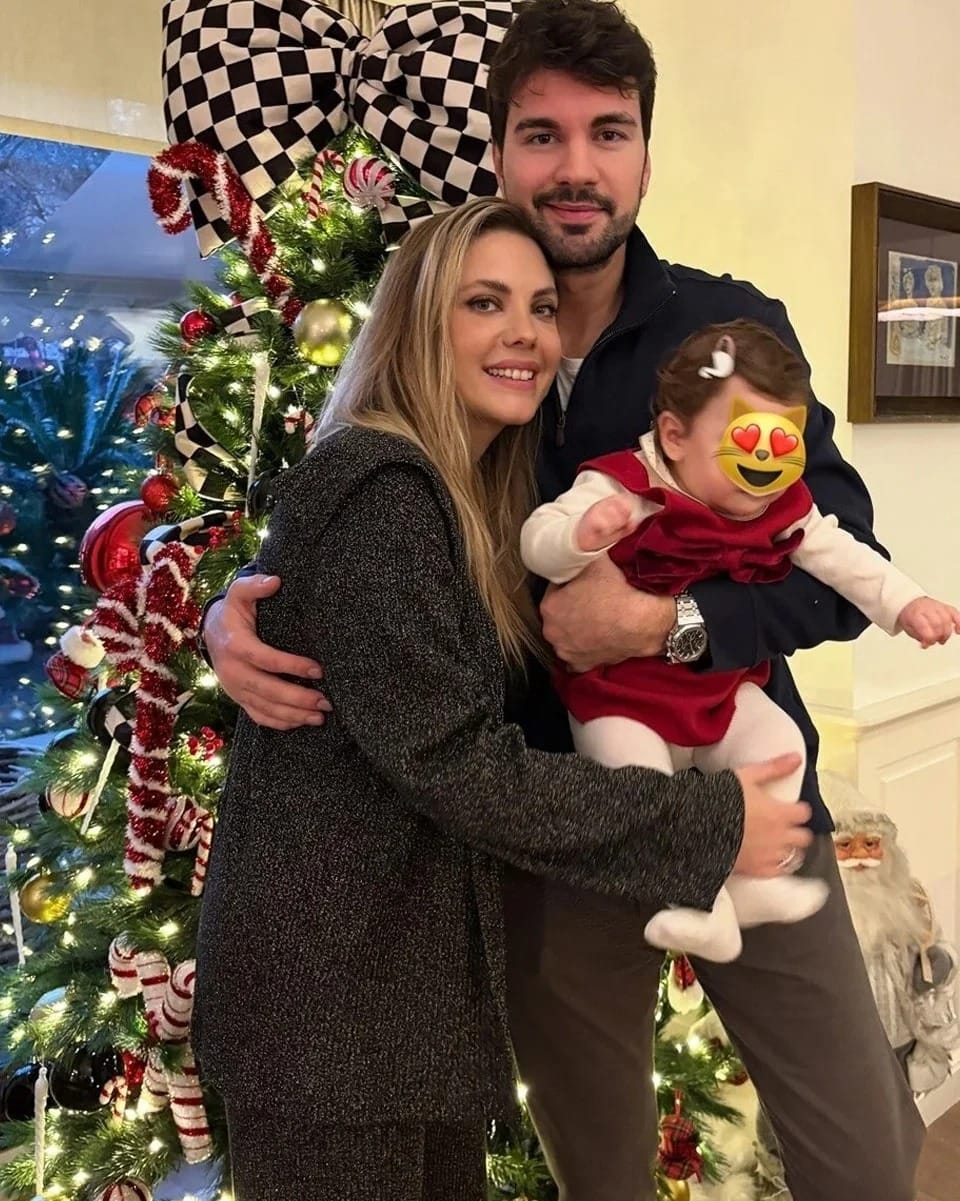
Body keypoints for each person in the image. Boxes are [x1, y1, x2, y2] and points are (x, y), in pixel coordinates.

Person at [199, 1, 927, 1197]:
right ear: (500, 151)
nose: (576, 167)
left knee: (866, 1153)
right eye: (542, 134)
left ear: (646, 154)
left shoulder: (727, 332)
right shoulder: (465, 355)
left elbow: (837, 560)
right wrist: (246, 609)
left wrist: (671, 623)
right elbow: (368, 507)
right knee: (600, 1171)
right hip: (554, 829)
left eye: (609, 132)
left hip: (745, 794)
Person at [194, 197, 802, 1200]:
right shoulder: (382, 489)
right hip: (329, 1018)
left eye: (539, 307)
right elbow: (461, 765)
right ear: (420, 321)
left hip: (388, 1009)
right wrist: (714, 821)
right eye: (485, 303)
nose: (523, 331)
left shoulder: (461, 496)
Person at [520, 318, 960, 962]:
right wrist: (579, 537)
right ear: (674, 437)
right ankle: (699, 906)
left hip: (716, 689)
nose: (767, 469)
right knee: (637, 784)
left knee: (780, 743)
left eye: (786, 448)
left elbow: (841, 555)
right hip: (619, 697)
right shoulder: (625, 486)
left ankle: (753, 887)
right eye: (747, 443)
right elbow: (538, 540)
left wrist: (907, 603)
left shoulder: (780, 504)